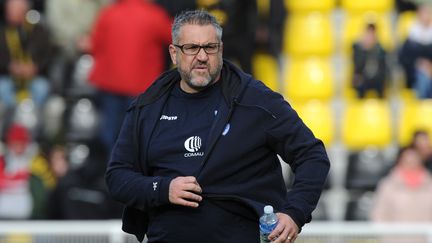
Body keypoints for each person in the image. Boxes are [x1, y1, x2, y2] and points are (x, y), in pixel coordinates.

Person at [105, 10, 330, 243]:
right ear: (174, 53)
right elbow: (117, 177)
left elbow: (312, 156)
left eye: (210, 47)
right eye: (191, 47)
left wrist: (294, 212)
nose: (201, 56)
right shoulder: (149, 106)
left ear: (220, 50)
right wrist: (163, 189)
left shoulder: (256, 100)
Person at [88, 0, 172, 152]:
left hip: (110, 84)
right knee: (137, 136)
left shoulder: (109, 13)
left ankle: (110, 170)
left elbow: (95, 46)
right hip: (140, 86)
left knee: (110, 133)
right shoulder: (154, 15)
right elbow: (174, 38)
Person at [370, 146, 432, 243]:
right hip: (395, 240)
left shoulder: (430, 185)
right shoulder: (388, 185)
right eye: (407, 159)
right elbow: (379, 214)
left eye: (415, 158)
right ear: (400, 160)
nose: (411, 162)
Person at [0, 0, 54, 109]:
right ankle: (13, 116)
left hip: (34, 76)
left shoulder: (38, 30)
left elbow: (47, 55)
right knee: (3, 87)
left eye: (16, 10)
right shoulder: (2, 31)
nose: (11, 13)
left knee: (42, 87)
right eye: (10, 10)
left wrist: (35, 67)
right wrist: (10, 66)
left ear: (25, 11)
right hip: (8, 75)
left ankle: (31, 114)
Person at [352, 23, 388, 98]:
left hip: (376, 80)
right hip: (363, 78)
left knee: (382, 85)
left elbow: (383, 69)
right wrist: (364, 50)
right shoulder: (358, 49)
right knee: (360, 83)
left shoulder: (380, 50)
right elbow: (358, 67)